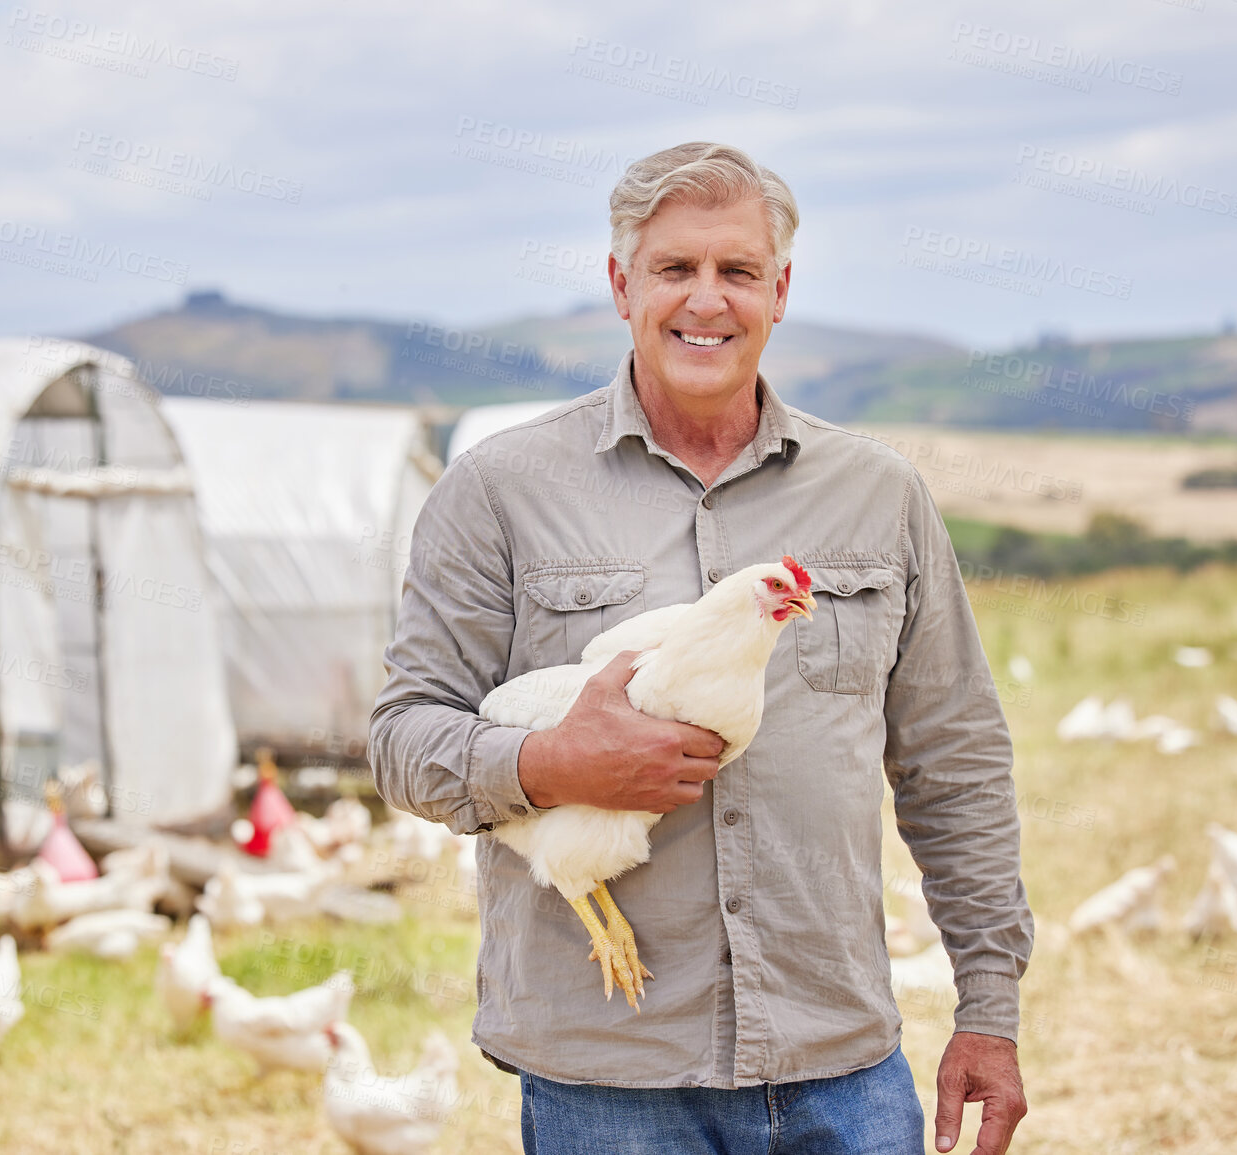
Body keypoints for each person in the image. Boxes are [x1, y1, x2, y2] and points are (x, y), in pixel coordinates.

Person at [370, 141, 1031, 1154]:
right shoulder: (498, 492)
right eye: (676, 268)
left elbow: (957, 765)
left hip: (839, 1064)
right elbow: (404, 744)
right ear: (621, 282)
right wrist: (550, 763)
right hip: (610, 1073)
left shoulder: (878, 495)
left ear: (781, 290)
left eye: (738, 271)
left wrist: (988, 1007)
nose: (707, 301)